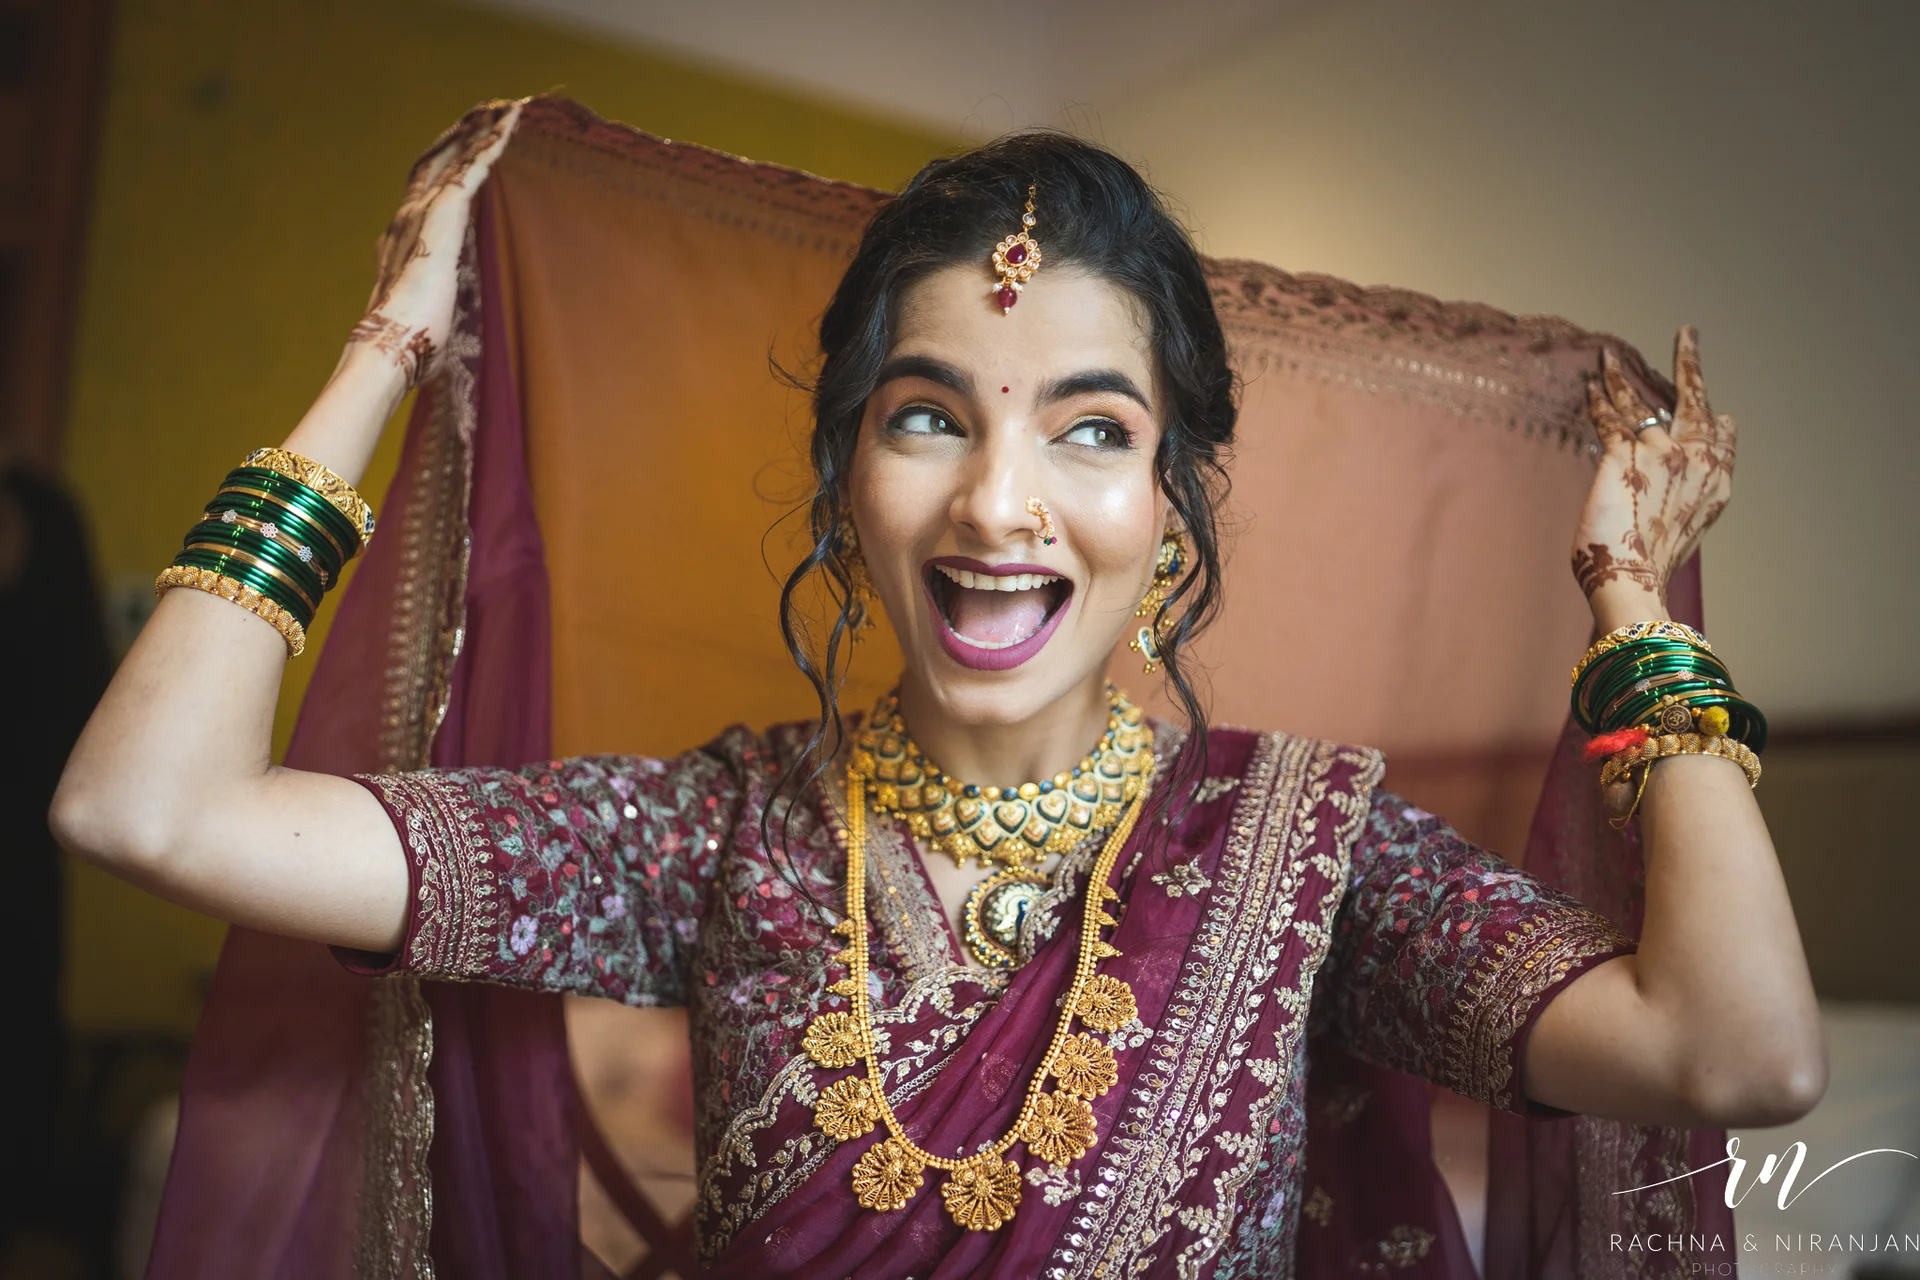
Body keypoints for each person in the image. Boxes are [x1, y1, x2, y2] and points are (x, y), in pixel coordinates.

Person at [52, 101, 1825, 1277]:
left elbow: (1734, 1053)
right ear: (844, 491)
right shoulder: (708, 835)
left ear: (1172, 514)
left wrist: (1625, 602)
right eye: (927, 417)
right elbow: (146, 808)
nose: (997, 502)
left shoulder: (1315, 860)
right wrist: (380, 360)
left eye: (1092, 431)